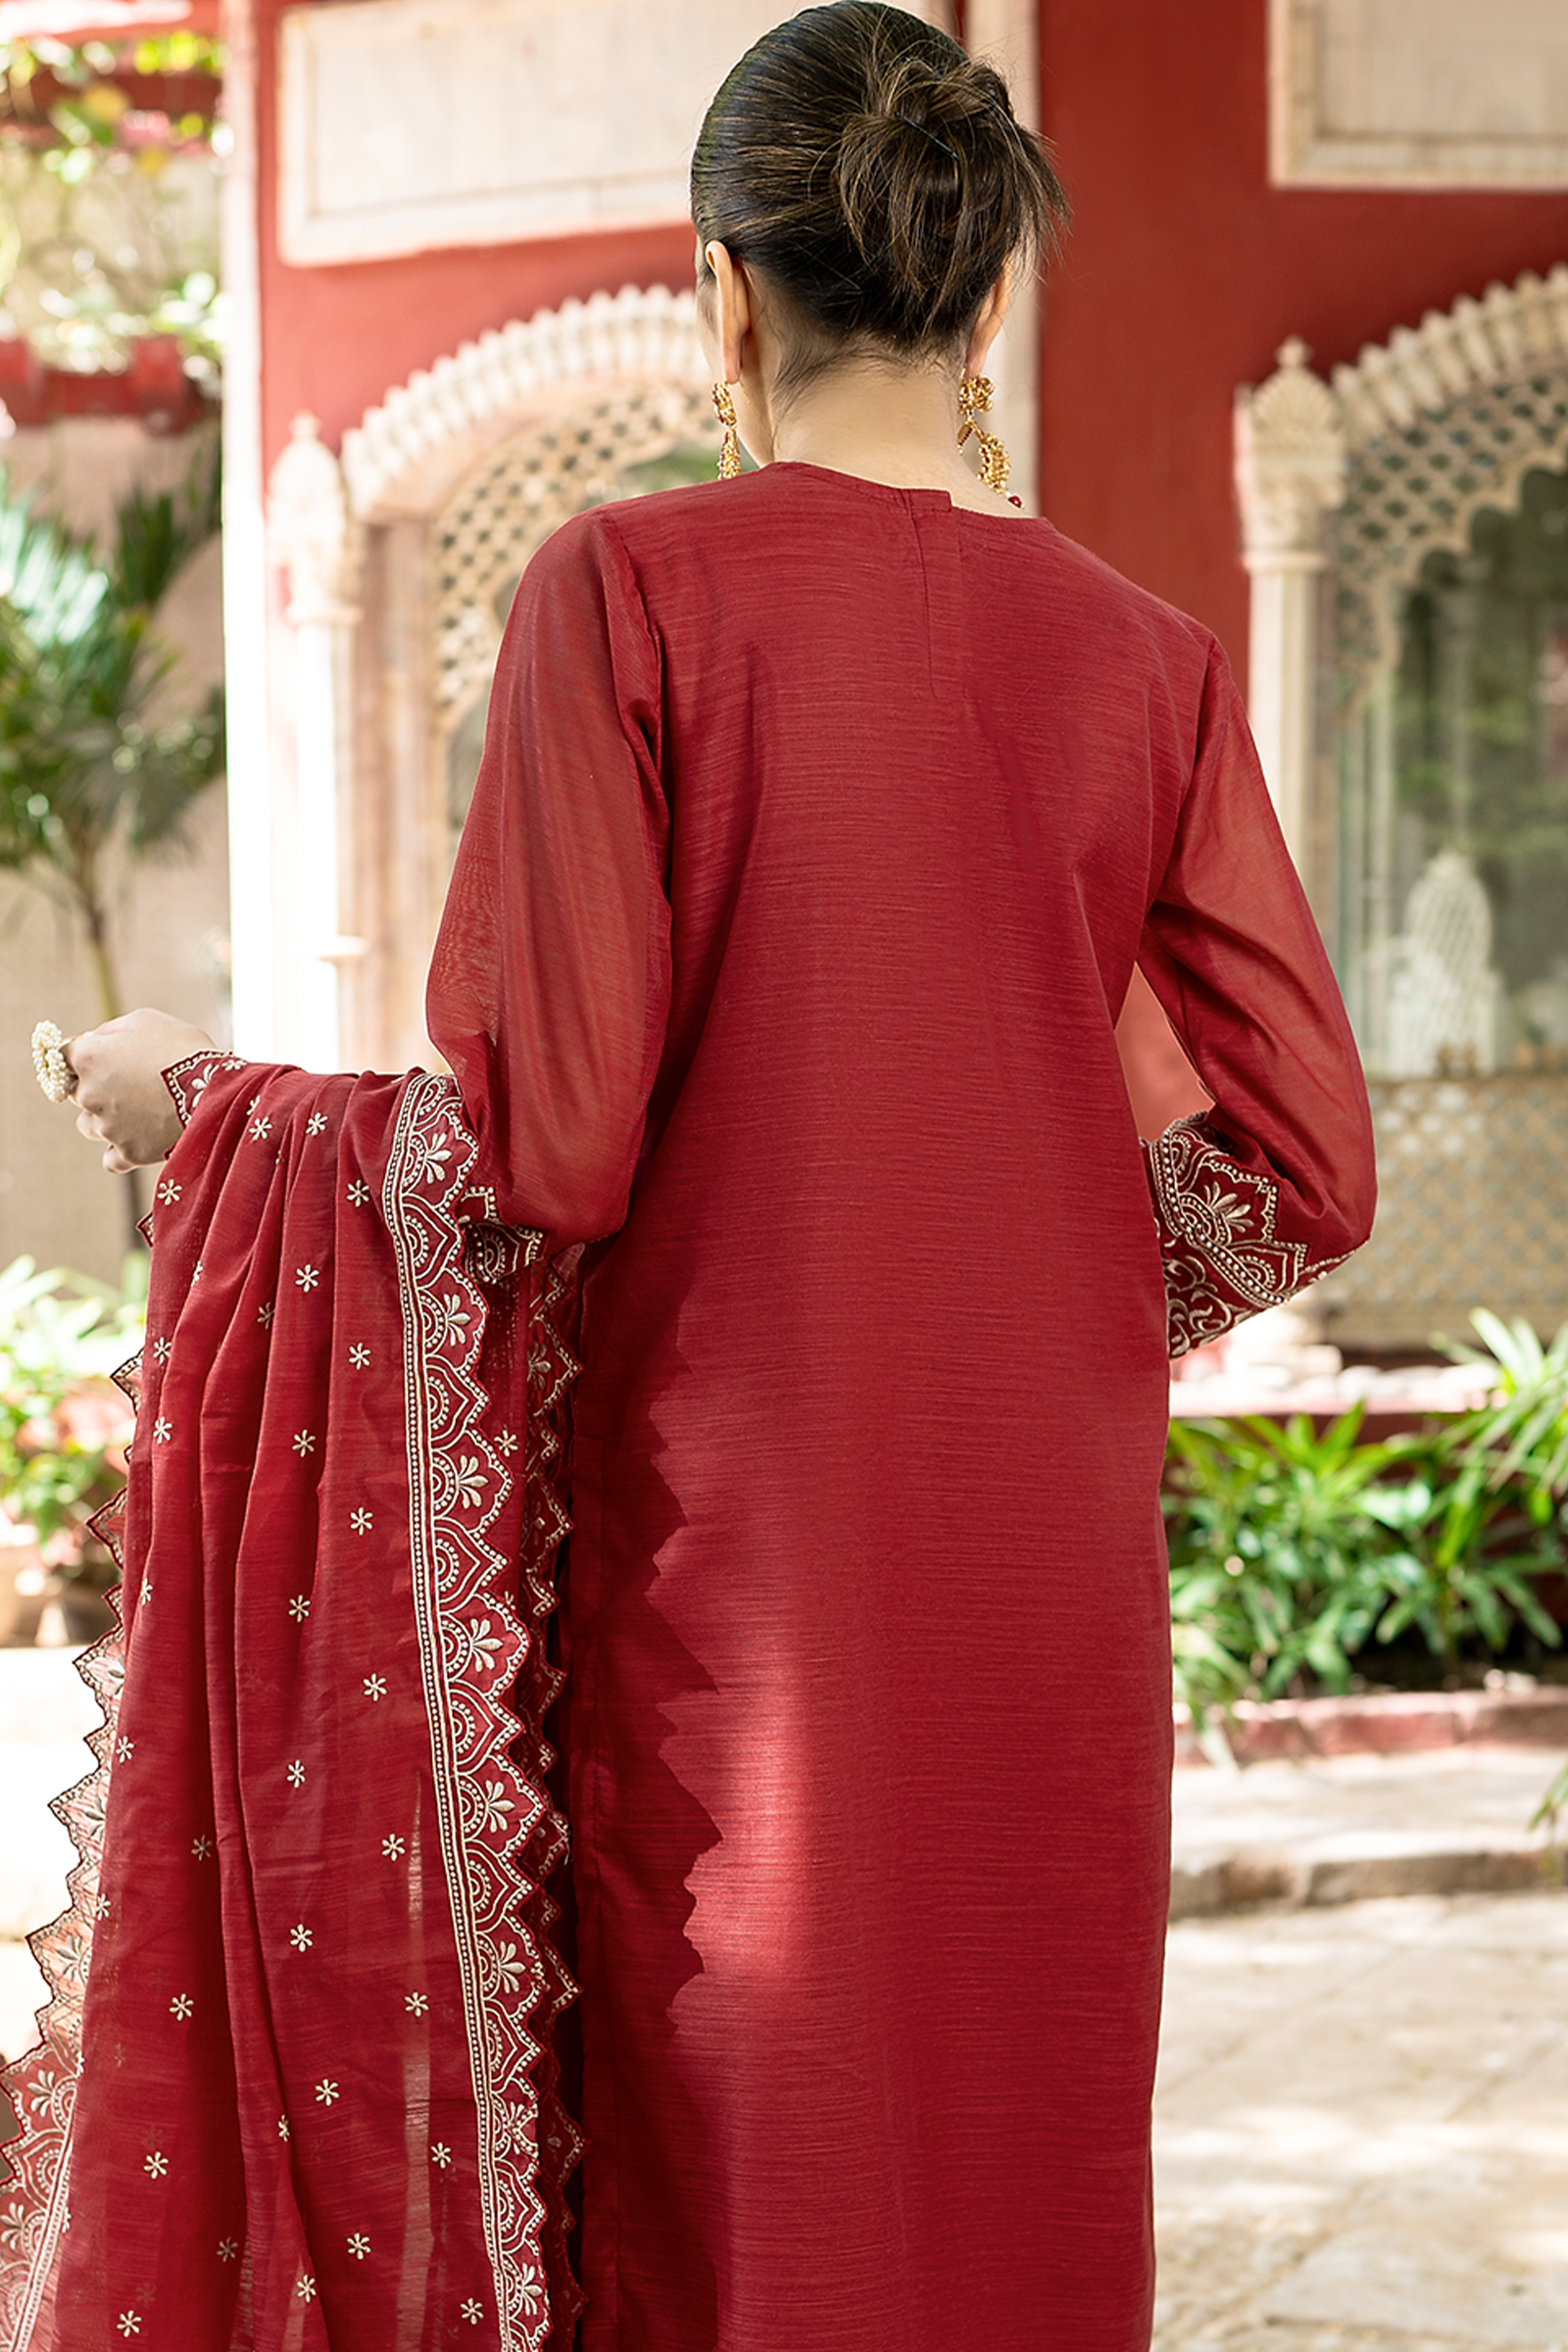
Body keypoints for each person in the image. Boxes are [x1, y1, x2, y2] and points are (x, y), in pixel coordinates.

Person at [1, 7, 1376, 2349]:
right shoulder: (1143, 663)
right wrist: (1010, 1267)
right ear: (988, 300)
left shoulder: (629, 596)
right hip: (1037, 1575)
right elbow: (1299, 1160)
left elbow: (543, 1139)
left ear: (720, 294)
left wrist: (208, 1109)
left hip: (727, 1592)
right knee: (1010, 2160)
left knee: (747, 2197)